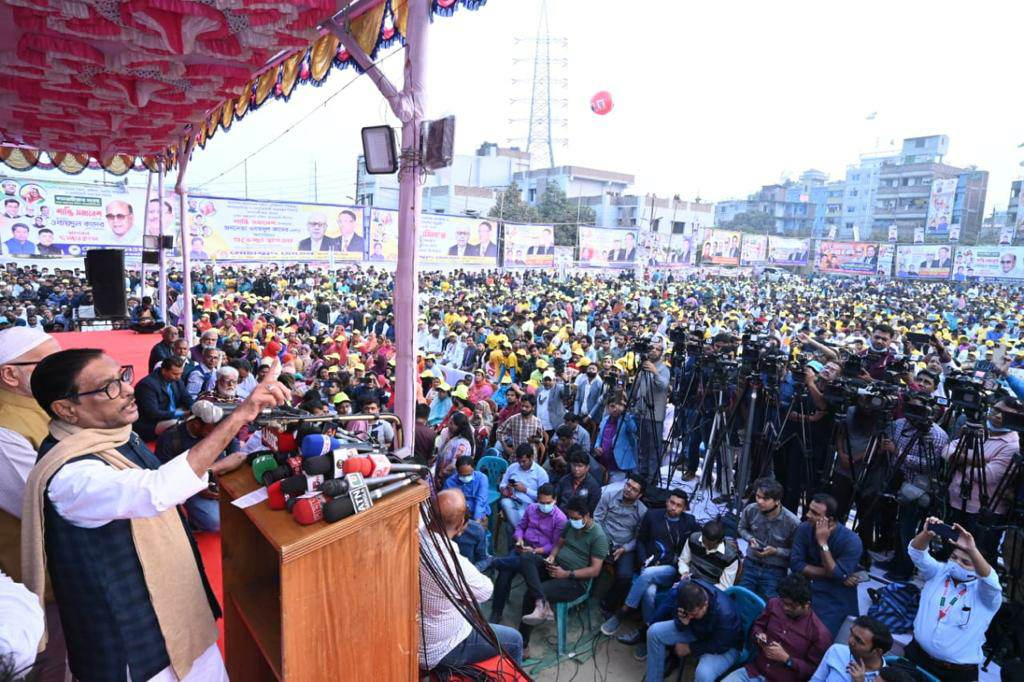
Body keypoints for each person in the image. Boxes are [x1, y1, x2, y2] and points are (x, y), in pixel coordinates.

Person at [23, 349, 288, 681]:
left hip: (180, 624)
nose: (128, 389)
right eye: (109, 387)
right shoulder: (70, 476)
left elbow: (155, 482)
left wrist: (214, 468)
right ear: (66, 409)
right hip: (135, 650)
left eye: (123, 376)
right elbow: (156, 490)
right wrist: (241, 415)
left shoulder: (114, 437)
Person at [419, 489, 523, 671]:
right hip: (441, 648)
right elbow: (485, 590)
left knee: (472, 610)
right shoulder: (451, 563)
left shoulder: (416, 533)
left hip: (418, 633)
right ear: (461, 525)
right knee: (514, 640)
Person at [903, 517, 1002, 682]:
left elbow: (991, 581)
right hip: (917, 657)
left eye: (966, 562)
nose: (957, 563)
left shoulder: (986, 595)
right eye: (954, 557)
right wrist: (927, 534)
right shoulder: (938, 572)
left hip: (955, 674)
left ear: (979, 567)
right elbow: (916, 553)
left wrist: (972, 550)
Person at [599, 489, 699, 642]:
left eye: (678, 505)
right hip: (650, 562)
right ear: (667, 501)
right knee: (649, 592)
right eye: (672, 502)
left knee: (648, 574)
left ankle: (623, 612)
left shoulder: (689, 521)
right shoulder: (653, 515)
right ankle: (648, 632)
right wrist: (644, 560)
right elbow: (641, 540)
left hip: (671, 568)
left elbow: (702, 537)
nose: (673, 507)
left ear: (684, 508)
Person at [518, 496, 608, 658]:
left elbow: (595, 570)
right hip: (556, 567)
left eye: (576, 518)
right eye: (571, 517)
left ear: (587, 515)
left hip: (575, 581)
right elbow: (559, 543)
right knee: (527, 557)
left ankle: (523, 645)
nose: (573, 521)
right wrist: (552, 557)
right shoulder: (570, 524)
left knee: (532, 593)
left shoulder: (598, 537)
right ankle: (542, 603)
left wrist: (567, 574)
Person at [943, 397, 1022, 559]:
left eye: (1006, 414)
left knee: (975, 559)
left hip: (984, 512)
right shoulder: (978, 430)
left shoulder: (1013, 444)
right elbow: (947, 450)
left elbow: (987, 476)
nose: (998, 415)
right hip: (956, 502)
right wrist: (977, 461)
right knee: (952, 551)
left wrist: (959, 461)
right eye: (996, 410)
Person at [154, 401, 246, 532]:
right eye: (210, 430)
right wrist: (196, 488)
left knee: (247, 509)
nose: (215, 434)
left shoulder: (214, 428)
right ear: (196, 424)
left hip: (220, 479)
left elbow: (233, 443)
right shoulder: (169, 439)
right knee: (216, 521)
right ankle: (195, 520)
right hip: (191, 488)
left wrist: (231, 462)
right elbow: (165, 480)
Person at [722, 574, 832, 682]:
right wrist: (759, 636)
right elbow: (757, 626)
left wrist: (787, 659)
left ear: (806, 604)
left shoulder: (820, 634)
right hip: (754, 671)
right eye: (783, 602)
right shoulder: (774, 604)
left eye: (791, 606)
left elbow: (813, 672)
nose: (785, 608)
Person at [489, 483, 566, 622]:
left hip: (540, 554)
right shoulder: (531, 508)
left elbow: (555, 545)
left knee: (510, 563)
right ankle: (496, 612)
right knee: (505, 573)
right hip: (524, 546)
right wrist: (519, 540)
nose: (544, 505)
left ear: (555, 500)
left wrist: (536, 551)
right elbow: (520, 527)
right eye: (541, 502)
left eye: (548, 503)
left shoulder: (560, 519)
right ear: (537, 500)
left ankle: (493, 562)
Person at [790, 493, 863, 636]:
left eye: (815, 513)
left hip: (833, 597)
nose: (808, 515)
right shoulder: (804, 529)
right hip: (804, 586)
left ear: (830, 520)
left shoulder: (851, 541)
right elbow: (796, 565)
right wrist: (837, 574)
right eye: (809, 509)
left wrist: (822, 542)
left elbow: (837, 573)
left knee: (818, 636)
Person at [645, 579, 742, 682]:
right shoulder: (686, 591)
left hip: (724, 645)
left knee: (703, 674)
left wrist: (690, 648)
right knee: (654, 632)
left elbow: (720, 644)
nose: (690, 617)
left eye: (694, 614)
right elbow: (678, 611)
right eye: (688, 613)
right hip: (698, 630)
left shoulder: (726, 614)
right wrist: (682, 622)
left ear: (705, 605)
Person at [593, 474, 647, 613]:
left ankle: (607, 606)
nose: (629, 489)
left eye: (634, 489)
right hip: (602, 539)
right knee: (585, 559)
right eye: (628, 485)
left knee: (625, 576)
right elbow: (597, 520)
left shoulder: (642, 511)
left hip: (624, 547)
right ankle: (583, 594)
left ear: (639, 495)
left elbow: (639, 538)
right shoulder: (609, 496)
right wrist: (602, 541)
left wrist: (625, 548)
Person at [738, 477, 800, 598]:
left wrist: (776, 551)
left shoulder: (793, 523)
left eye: (765, 499)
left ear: (777, 501)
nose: (759, 501)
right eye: (758, 496)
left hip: (775, 570)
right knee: (741, 597)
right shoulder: (751, 510)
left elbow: (795, 553)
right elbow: (741, 528)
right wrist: (749, 538)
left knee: (768, 603)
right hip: (751, 563)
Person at [809, 616, 892, 682]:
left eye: (859, 641)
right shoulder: (837, 651)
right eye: (851, 633)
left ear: (877, 651)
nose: (850, 641)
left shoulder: (885, 679)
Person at [133, 356, 193, 441]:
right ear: (164, 371)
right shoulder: (147, 385)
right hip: (152, 423)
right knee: (176, 424)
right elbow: (153, 414)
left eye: (181, 373)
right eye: (175, 374)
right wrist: (181, 413)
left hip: (171, 414)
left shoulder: (176, 379)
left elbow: (186, 397)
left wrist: (194, 408)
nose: (179, 377)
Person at [498, 443, 549, 539]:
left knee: (511, 527)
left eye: (524, 461)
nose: (521, 464)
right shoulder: (512, 467)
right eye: (519, 461)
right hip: (512, 500)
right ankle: (521, 533)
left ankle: (518, 533)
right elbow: (502, 484)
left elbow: (544, 496)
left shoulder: (541, 473)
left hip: (529, 505)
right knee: (504, 502)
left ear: (531, 458)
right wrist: (505, 489)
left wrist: (526, 490)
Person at [677, 518, 740, 590]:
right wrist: (685, 572)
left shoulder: (730, 557)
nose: (706, 546)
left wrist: (703, 590)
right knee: (673, 593)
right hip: (690, 580)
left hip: (710, 589)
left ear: (720, 542)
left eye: (710, 545)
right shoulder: (694, 538)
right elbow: (683, 560)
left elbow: (725, 586)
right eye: (703, 541)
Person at [594, 394, 638, 482]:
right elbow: (599, 437)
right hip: (604, 464)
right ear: (607, 407)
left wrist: (624, 413)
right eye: (612, 406)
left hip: (618, 467)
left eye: (618, 407)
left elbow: (634, 429)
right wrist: (597, 446)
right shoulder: (605, 420)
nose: (615, 409)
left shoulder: (626, 420)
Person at [442, 456, 490, 524]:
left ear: (474, 469)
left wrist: (477, 521)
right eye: (462, 475)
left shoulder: (482, 478)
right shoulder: (449, 482)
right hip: (458, 514)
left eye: (469, 474)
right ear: (457, 471)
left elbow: (481, 501)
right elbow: (447, 503)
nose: (465, 477)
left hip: (477, 512)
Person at [552, 449, 601, 515]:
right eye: (574, 465)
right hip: (561, 516)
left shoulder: (593, 486)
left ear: (587, 468)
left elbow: (591, 510)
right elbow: (556, 500)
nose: (576, 469)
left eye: (580, 466)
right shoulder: (564, 480)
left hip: (580, 518)